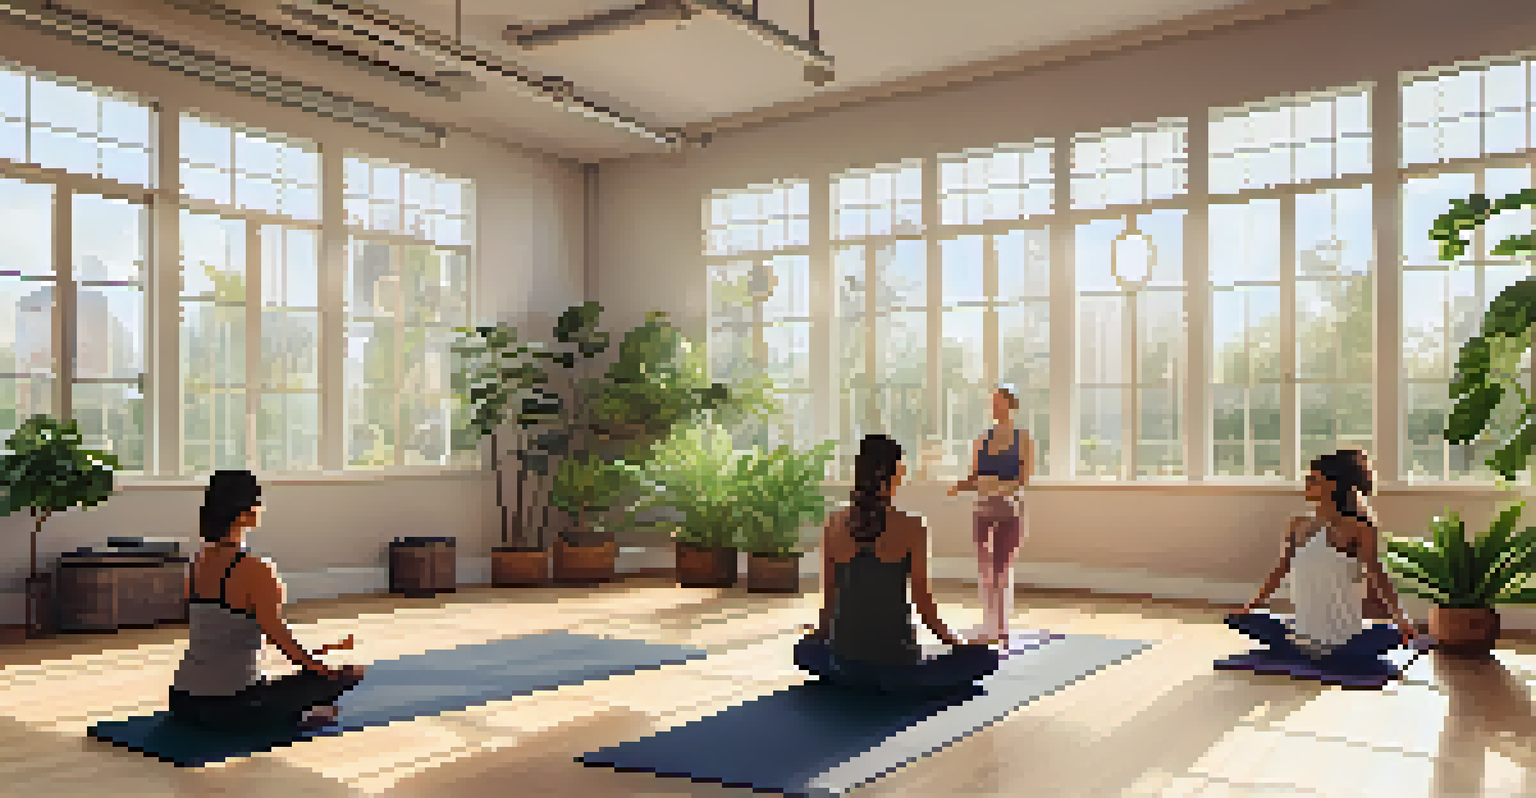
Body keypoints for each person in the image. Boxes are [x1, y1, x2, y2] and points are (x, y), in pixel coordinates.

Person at [795, 434, 1000, 696]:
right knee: (986, 659)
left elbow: (829, 602)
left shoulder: (833, 523)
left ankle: (852, 677)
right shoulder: (913, 526)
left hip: (844, 665)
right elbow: (925, 607)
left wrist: (819, 635)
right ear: (895, 473)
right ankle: (893, 681)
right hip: (899, 667)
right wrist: (960, 645)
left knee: (804, 651)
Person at [170, 470, 366, 731]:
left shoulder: (195, 564)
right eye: (258, 502)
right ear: (245, 514)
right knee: (350, 673)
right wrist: (320, 668)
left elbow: (220, 634)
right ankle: (298, 716)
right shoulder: (257, 569)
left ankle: (295, 712)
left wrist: (315, 652)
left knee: (270, 678)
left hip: (182, 701)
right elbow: (278, 636)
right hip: (230, 707)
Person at [1221, 449, 1419, 679]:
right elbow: (1281, 569)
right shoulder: (1297, 525)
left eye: (1313, 479)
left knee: (1392, 634)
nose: (1306, 483)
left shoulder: (1359, 528)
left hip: (1344, 643)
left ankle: (1328, 654)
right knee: (1241, 620)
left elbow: (1378, 574)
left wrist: (1401, 617)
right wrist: (1250, 607)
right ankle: (1306, 650)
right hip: (1299, 637)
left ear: (1333, 485)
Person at [948, 385, 1033, 646]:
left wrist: (997, 485)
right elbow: (974, 477)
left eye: (999, 402)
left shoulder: (1023, 440)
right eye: (992, 403)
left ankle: (1001, 627)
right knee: (985, 570)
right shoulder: (981, 440)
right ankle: (989, 625)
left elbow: (1023, 479)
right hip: (983, 510)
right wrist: (959, 487)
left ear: (1012, 405)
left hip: (1011, 509)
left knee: (1002, 569)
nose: (994, 407)